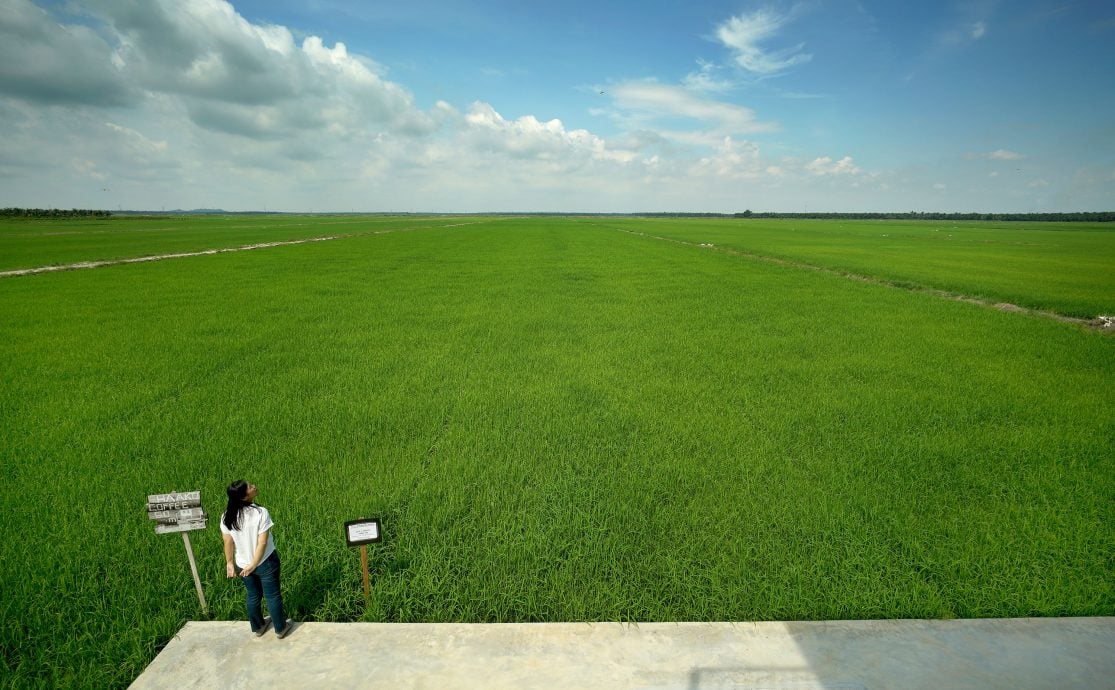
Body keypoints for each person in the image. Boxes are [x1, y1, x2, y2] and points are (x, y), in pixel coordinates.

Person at [221, 480, 291, 638]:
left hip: (242, 564)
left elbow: (228, 542)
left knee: (253, 595)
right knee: (272, 595)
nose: (254, 486)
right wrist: (254, 564)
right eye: (250, 487)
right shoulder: (260, 512)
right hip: (265, 562)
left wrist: (230, 563)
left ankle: (258, 627)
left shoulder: (227, 515)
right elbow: (263, 542)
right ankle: (280, 628)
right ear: (244, 497)